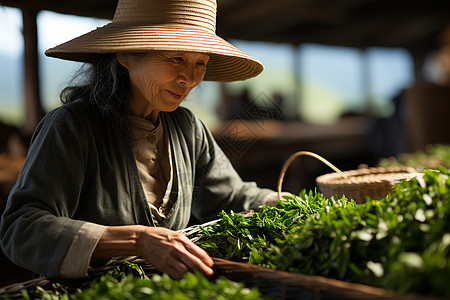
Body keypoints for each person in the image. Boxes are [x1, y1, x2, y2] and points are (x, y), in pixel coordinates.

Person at [0, 0, 283, 281]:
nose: (189, 78)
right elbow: (22, 229)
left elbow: (231, 196)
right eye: (176, 58)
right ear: (126, 54)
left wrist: (293, 205)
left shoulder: (187, 128)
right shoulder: (73, 127)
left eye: (200, 63)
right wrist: (137, 240)